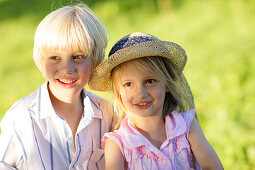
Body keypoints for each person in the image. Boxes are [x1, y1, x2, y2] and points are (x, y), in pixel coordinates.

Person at [0, 3, 115, 170]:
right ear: (41, 59)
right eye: (55, 57)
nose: (67, 69)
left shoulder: (107, 115)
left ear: (95, 60)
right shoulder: (21, 118)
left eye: (78, 57)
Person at [89, 32, 224, 170]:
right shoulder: (118, 145)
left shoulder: (186, 126)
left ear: (166, 84)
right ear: (118, 92)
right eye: (128, 84)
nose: (140, 93)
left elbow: (214, 167)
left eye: (149, 81)